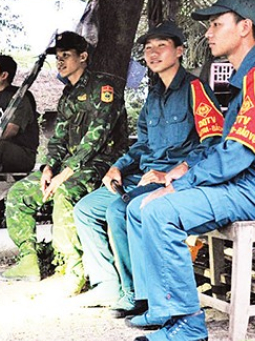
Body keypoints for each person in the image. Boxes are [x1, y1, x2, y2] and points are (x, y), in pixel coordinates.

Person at [126, 0, 255, 341]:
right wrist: (182, 172)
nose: (208, 33)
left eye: (216, 24)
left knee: (161, 210)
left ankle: (188, 323)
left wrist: (181, 184)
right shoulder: (246, 76)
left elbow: (237, 154)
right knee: (145, 205)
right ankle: (165, 310)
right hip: (240, 184)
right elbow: (224, 148)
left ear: (244, 28)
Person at [73, 21, 223, 313]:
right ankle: (108, 286)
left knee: (119, 210)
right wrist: (117, 167)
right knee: (85, 210)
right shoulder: (153, 96)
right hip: (142, 177)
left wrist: (173, 171)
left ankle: (141, 295)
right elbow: (142, 145)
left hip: (172, 181)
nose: (153, 53)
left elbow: (214, 143)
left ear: (179, 51)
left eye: (161, 46)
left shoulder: (196, 89)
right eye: (148, 48)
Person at [3, 31, 128, 286]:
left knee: (65, 193)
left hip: (100, 165)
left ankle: (73, 269)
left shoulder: (104, 88)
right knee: (18, 194)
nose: (60, 61)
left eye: (66, 56)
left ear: (83, 57)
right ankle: (29, 260)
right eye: (58, 57)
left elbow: (96, 139)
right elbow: (58, 138)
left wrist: (63, 175)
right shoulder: (67, 95)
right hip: (68, 166)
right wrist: (49, 169)